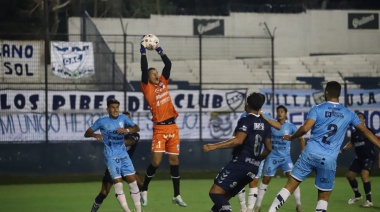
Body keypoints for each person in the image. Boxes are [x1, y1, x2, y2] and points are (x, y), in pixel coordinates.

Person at [267, 81, 380, 212]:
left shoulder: (317, 108)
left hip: (310, 154)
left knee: (289, 187)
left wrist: (291, 137)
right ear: (339, 95)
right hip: (328, 159)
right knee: (323, 197)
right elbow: (365, 132)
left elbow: (305, 128)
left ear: (326, 93)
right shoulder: (348, 113)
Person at [203, 92, 272, 212]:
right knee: (223, 198)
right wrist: (257, 160)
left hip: (240, 164)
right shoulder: (266, 124)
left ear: (247, 104)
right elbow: (269, 148)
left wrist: (214, 146)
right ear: (260, 107)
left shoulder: (246, 120)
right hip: (253, 169)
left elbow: (238, 140)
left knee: (215, 193)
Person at [139, 37, 187, 207]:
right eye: (153, 73)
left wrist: (159, 49)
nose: (156, 75)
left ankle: (177, 195)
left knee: (174, 161)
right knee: (157, 162)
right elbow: (144, 69)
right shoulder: (147, 87)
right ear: (148, 77)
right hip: (159, 129)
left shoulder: (163, 83)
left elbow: (168, 65)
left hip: (173, 127)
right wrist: (143, 51)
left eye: (156, 73)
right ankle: (144, 189)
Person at [84, 99, 142, 212]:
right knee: (117, 185)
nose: (115, 110)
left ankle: (139, 210)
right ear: (108, 109)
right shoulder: (101, 121)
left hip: (123, 154)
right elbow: (87, 133)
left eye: (117, 107)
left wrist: (127, 130)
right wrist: (95, 134)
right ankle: (127, 210)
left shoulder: (123, 118)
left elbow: (137, 128)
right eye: (112, 107)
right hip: (111, 155)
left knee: (133, 182)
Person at [254, 105, 306, 212]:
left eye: (282, 111)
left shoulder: (290, 126)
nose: (280, 113)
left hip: (285, 158)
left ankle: (298, 204)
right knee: (266, 180)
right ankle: (258, 206)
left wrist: (303, 151)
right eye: (278, 111)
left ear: (286, 114)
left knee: (293, 179)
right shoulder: (272, 125)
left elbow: (301, 138)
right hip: (272, 157)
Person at [237, 111, 281, 212]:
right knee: (239, 180)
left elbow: (278, 126)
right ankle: (243, 207)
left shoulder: (265, 115)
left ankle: (250, 209)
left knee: (254, 181)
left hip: (257, 155)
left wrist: (265, 118)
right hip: (244, 153)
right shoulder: (244, 115)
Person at [340, 111, 380, 208]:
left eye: (360, 118)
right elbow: (351, 143)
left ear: (364, 120)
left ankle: (369, 201)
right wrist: (342, 150)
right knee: (349, 176)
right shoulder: (354, 132)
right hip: (359, 158)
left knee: (364, 176)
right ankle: (357, 195)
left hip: (369, 157)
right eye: (356, 118)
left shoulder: (368, 130)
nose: (358, 119)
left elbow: (376, 141)